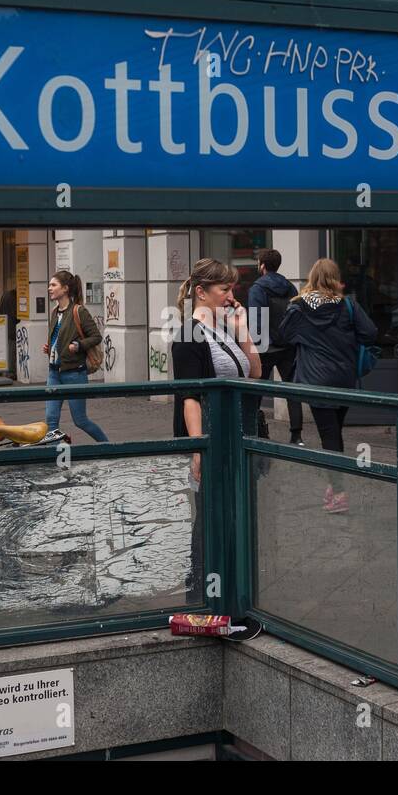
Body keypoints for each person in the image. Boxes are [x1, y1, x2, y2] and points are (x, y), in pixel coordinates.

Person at [171, 258, 261, 602]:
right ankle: (201, 594)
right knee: (209, 520)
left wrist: (243, 332)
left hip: (237, 438)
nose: (230, 295)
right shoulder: (188, 335)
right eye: (224, 289)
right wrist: (199, 450)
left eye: (232, 288)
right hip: (212, 439)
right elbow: (189, 398)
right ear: (201, 292)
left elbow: (254, 373)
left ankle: (233, 592)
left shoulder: (223, 328)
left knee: (235, 516)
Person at [277, 257, 377, 515]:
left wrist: (307, 338)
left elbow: (284, 335)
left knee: (330, 436)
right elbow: (370, 334)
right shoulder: (348, 305)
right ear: (335, 278)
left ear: (312, 277)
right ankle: (334, 488)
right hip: (343, 379)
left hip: (315, 381)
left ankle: (339, 491)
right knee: (335, 432)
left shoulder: (298, 308)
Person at [41, 270, 109, 443]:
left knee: (80, 420)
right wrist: (50, 347)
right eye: (50, 285)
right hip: (54, 373)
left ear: (65, 289)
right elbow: (59, 337)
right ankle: (56, 459)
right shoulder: (55, 312)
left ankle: (108, 446)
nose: (49, 288)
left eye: (53, 285)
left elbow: (96, 336)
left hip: (74, 374)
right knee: (51, 421)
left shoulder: (79, 311)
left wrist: (79, 345)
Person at [247, 248, 304, 445]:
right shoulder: (290, 287)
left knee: (255, 391)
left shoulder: (257, 288)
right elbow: (297, 315)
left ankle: (252, 429)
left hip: (265, 347)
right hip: (288, 346)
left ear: (262, 265)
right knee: (292, 390)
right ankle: (296, 435)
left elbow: (256, 319)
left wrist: (255, 347)